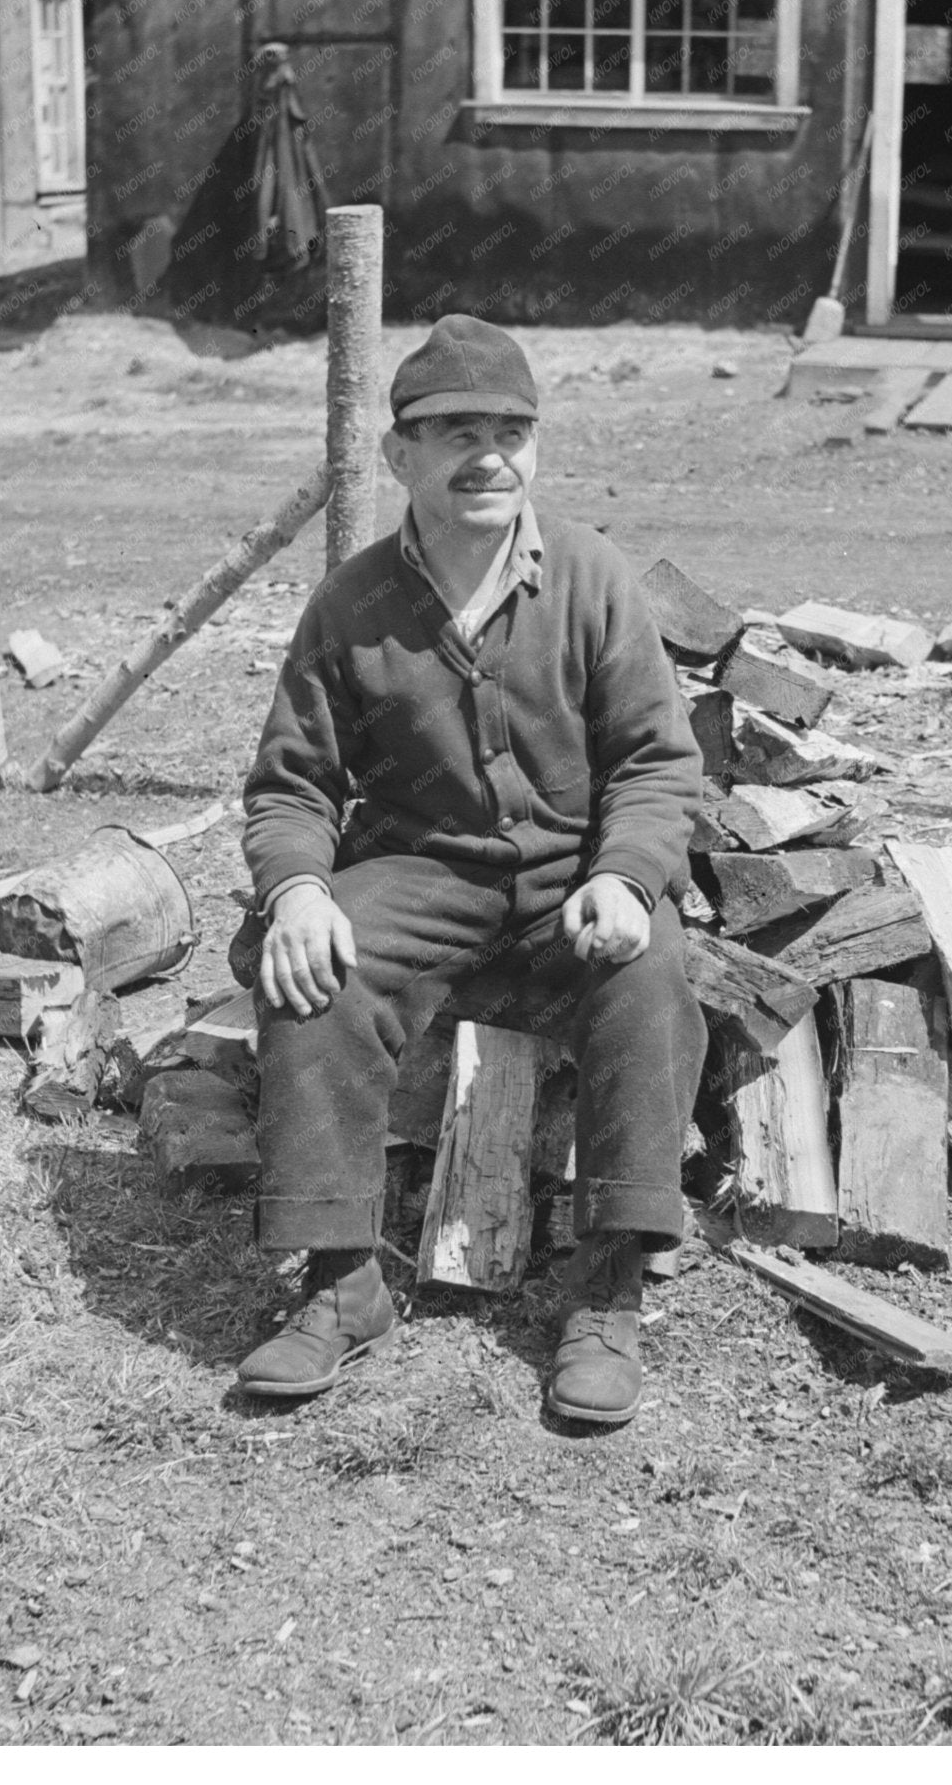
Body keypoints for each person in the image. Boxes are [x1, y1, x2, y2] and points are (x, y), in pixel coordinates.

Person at [234, 313, 708, 1426]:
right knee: (313, 968)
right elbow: (290, 785)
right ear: (400, 455)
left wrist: (626, 878)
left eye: (510, 428)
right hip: (420, 869)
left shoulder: (590, 578)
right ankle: (340, 1282)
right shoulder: (352, 602)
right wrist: (297, 889)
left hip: (569, 877)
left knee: (647, 980)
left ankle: (607, 1289)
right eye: (454, 430)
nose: (486, 453)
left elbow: (655, 761)